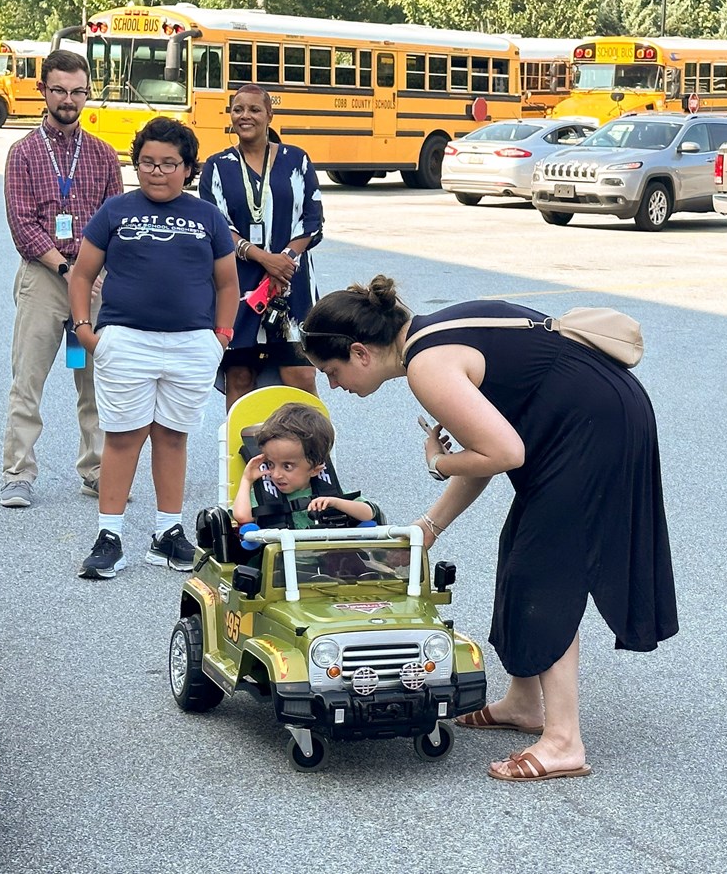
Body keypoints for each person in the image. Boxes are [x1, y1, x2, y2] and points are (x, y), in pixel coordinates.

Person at [300, 277, 678, 781]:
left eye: (331, 370)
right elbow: (490, 452)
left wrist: (438, 462)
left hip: (594, 428)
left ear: (360, 352)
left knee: (545, 569)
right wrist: (430, 526)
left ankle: (564, 741)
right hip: (599, 412)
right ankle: (524, 703)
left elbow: (502, 454)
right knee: (520, 551)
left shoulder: (427, 367)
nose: (333, 385)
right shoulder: (431, 337)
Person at [68, 117, 238, 580]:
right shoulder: (115, 211)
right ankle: (109, 536)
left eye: (168, 163)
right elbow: (81, 274)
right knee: (123, 436)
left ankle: (167, 533)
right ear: (136, 163)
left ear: (188, 168)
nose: (157, 172)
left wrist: (220, 337)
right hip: (126, 342)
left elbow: (227, 283)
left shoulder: (207, 216)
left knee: (172, 436)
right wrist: (85, 330)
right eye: (147, 162)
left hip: (191, 345)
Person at [0, 49, 123, 509]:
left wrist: (96, 275)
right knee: (28, 379)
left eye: (77, 92)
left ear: (87, 94)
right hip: (46, 278)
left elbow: (117, 221)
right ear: (42, 90)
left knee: (93, 379)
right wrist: (69, 271)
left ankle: (95, 471)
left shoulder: (104, 155)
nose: (68, 100)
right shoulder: (25, 153)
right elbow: (22, 223)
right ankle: (18, 473)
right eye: (59, 90)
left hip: (95, 283)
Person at [199, 84, 324, 408]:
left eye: (254, 109)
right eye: (238, 109)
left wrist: (286, 260)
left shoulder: (296, 160)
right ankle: (242, 457)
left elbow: (312, 218)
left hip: (291, 283)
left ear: (269, 114)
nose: (245, 115)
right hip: (238, 285)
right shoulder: (217, 165)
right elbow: (217, 224)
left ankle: (313, 455)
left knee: (300, 375)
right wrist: (264, 259)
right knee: (240, 376)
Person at [231, 402, 382, 528]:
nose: (276, 474)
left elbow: (369, 513)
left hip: (327, 560)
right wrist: (246, 481)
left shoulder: (329, 491)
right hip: (278, 561)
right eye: (270, 464)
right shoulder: (263, 493)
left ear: (315, 469)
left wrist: (336, 503)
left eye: (287, 466)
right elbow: (242, 517)